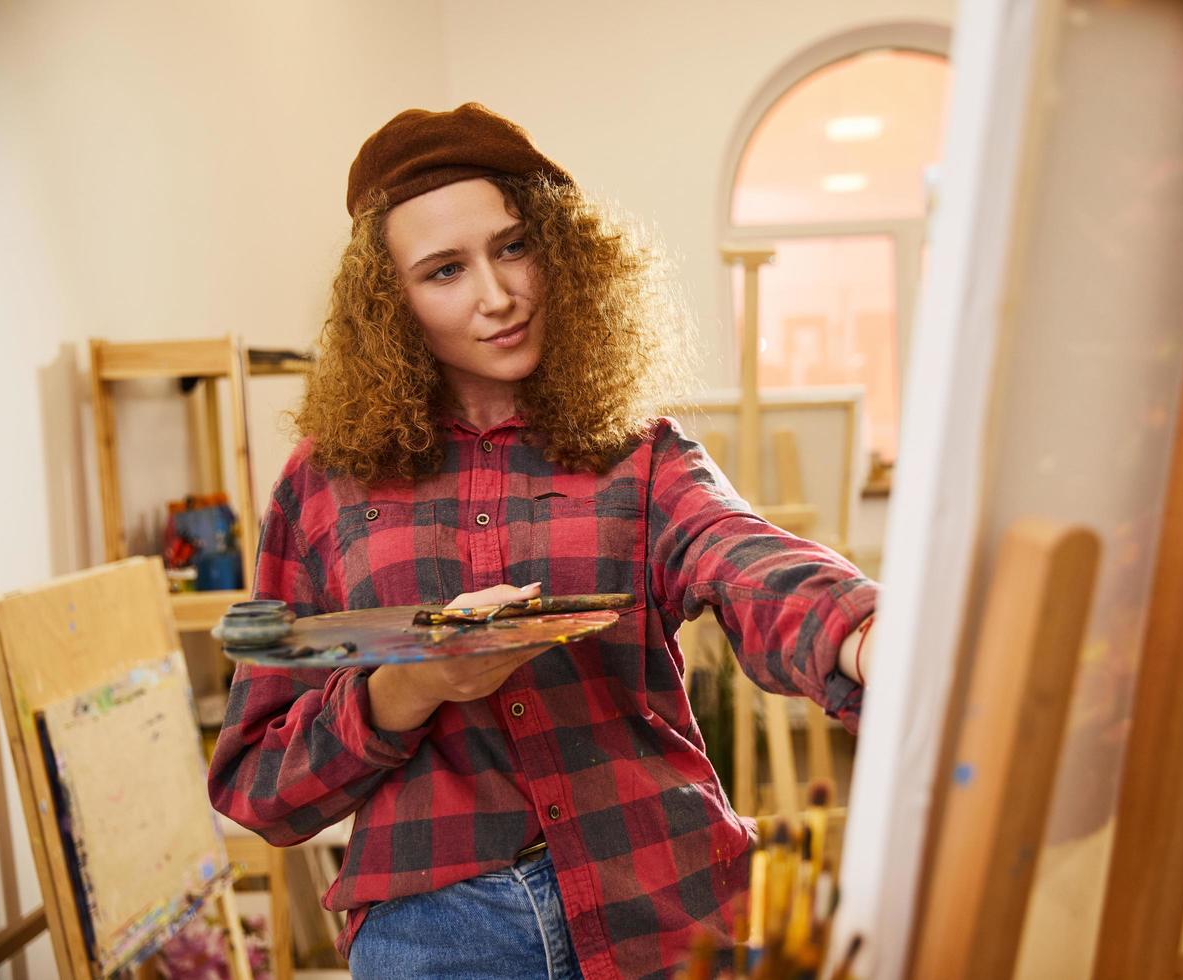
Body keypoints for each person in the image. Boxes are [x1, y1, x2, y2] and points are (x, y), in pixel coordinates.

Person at [207, 103, 879, 980]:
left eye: (515, 246)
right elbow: (258, 784)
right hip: (440, 937)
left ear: (562, 250)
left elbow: (743, 556)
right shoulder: (322, 486)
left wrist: (869, 634)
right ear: (390, 303)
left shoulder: (642, 454)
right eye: (445, 270)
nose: (496, 295)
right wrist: (406, 690)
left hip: (666, 901)